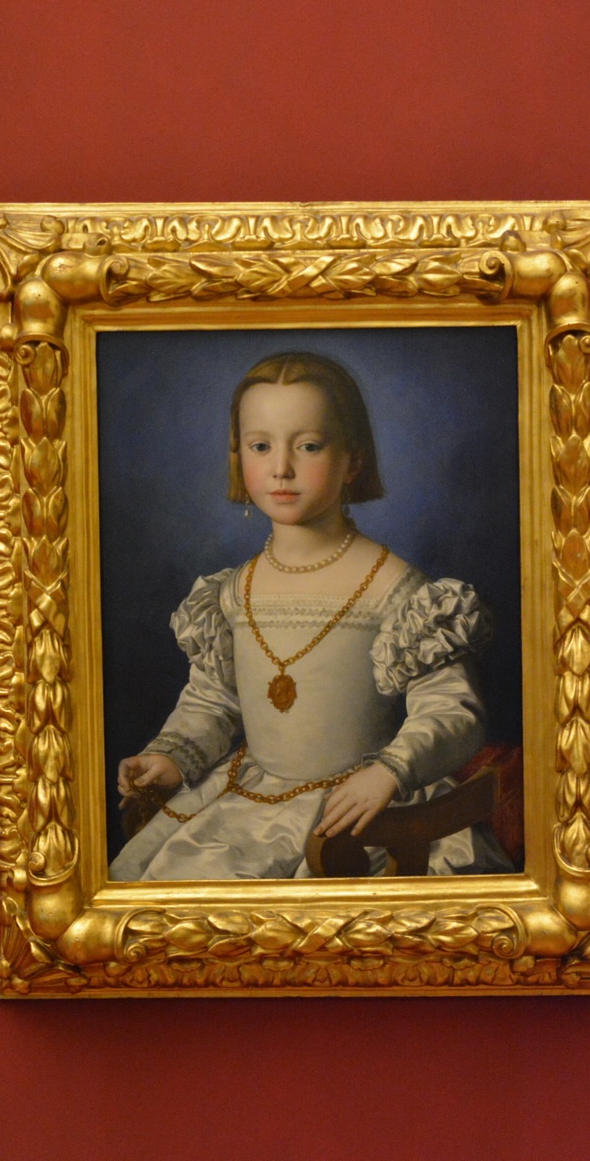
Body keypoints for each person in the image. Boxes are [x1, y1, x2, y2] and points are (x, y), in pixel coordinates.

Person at [109, 351, 511, 881]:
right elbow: (215, 700)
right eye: (261, 447)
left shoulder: (397, 589)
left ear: (353, 461)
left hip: (361, 810)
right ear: (238, 457)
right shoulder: (233, 591)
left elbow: (451, 711)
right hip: (249, 802)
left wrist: (390, 772)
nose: (281, 468)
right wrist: (172, 758)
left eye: (309, 446)